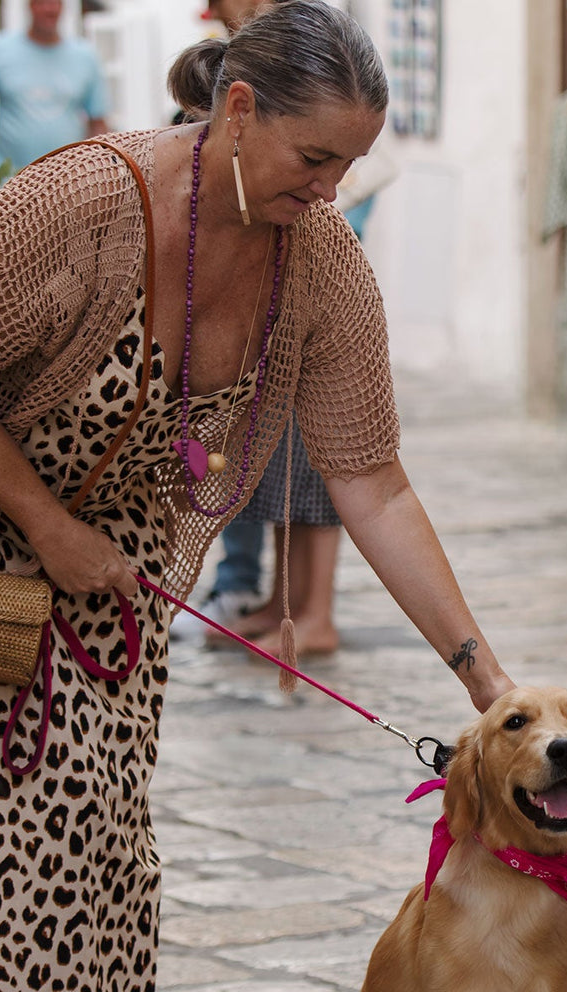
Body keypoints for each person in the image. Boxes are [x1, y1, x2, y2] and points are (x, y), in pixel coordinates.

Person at [0, 2, 513, 992]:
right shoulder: (74, 203)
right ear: (237, 111)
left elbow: (371, 478)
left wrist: (484, 682)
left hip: (112, 561)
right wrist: (50, 527)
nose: (329, 190)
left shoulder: (319, 262)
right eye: (313, 159)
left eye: (349, 164)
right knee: (29, 825)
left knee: (111, 830)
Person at [199, 0, 352, 659]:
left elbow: (373, 479)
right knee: (283, 461)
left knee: (321, 460)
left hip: (310, 298)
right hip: (268, 301)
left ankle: (315, 610)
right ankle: (285, 602)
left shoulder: (323, 54)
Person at [0, 0, 109, 186]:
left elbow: (98, 124)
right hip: (8, 184)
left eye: (56, 3)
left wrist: (99, 176)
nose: (49, 9)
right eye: (41, 2)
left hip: (67, 186)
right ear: (29, 5)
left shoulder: (86, 58)